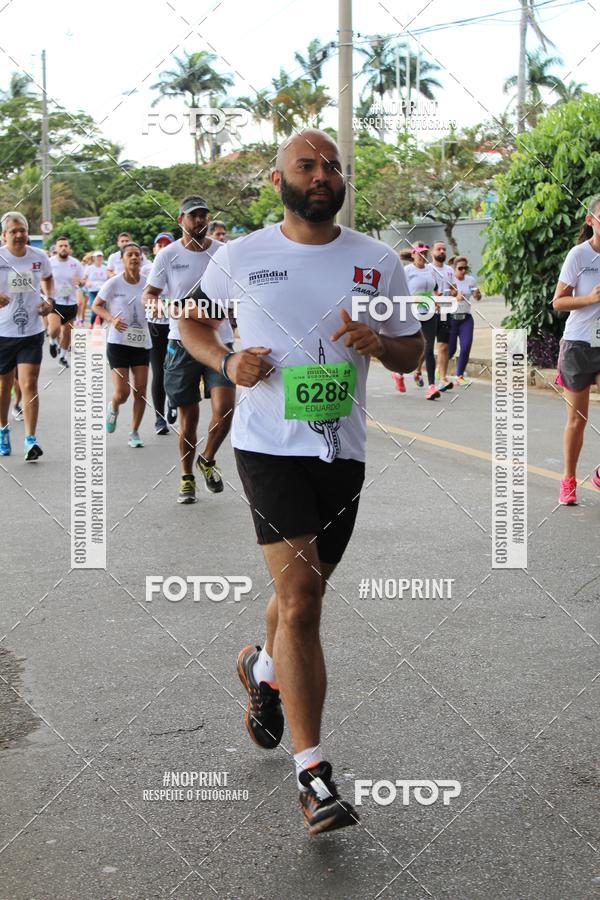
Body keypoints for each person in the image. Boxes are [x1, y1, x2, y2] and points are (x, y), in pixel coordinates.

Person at [179, 129, 423, 834]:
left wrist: (384, 343)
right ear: (278, 179)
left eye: (332, 166)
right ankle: (313, 774)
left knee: (301, 590)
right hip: (266, 446)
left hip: (341, 452)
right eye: (307, 165)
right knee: (303, 597)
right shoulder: (241, 256)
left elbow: (412, 348)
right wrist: (227, 363)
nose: (322, 174)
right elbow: (191, 323)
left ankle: (263, 669)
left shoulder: (376, 261)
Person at [142, 198, 235, 504]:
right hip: (181, 343)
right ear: (181, 219)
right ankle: (186, 477)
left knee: (225, 408)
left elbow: (235, 292)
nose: (200, 221)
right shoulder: (168, 256)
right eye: (194, 216)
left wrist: (237, 324)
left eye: (204, 216)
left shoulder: (222, 253)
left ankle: (206, 459)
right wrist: (172, 307)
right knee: (188, 417)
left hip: (219, 341)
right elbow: (149, 296)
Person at [552, 195, 600, 505]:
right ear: (590, 221)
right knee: (578, 418)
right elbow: (558, 302)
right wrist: (589, 299)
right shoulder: (579, 256)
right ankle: (568, 479)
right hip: (579, 344)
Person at [0, 211, 54, 459]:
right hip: (3, 332)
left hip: (31, 329)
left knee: (29, 383)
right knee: (4, 386)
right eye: (14, 231)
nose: (20, 235)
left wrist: (49, 299)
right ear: (4, 235)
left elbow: (48, 279)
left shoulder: (39, 256)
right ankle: (3, 430)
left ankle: (31, 440)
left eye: (22, 229)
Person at [92, 243, 150, 448]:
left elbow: (157, 301)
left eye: (137, 254)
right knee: (123, 392)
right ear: (123, 259)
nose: (134, 257)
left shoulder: (148, 283)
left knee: (141, 390)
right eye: (130, 255)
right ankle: (114, 407)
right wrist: (111, 319)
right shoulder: (114, 283)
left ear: (141, 259)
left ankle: (134, 432)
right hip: (118, 342)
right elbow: (96, 305)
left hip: (141, 341)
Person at [393, 244, 441, 400]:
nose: (423, 255)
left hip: (429, 313)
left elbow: (435, 288)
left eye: (425, 253)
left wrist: (436, 301)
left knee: (428, 348)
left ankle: (432, 386)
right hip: (412, 313)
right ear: (413, 255)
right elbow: (397, 290)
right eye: (420, 253)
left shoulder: (431, 270)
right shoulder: (407, 271)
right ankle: (399, 373)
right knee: (409, 346)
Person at [146, 232, 175, 435]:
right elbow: (142, 297)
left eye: (167, 244)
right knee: (158, 371)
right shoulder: (146, 269)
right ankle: (159, 417)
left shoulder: (179, 267)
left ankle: (173, 402)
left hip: (178, 327)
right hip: (155, 326)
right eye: (159, 244)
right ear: (154, 249)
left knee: (174, 370)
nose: (163, 248)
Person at [47, 237, 85, 367]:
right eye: (61, 246)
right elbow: (43, 279)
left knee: (68, 332)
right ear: (56, 248)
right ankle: (52, 341)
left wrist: (79, 282)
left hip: (71, 302)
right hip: (55, 301)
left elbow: (82, 281)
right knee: (55, 329)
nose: (63, 248)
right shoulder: (50, 262)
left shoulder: (76, 263)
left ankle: (63, 356)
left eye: (65, 245)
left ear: (69, 248)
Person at [428, 240, 457, 393]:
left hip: (445, 311)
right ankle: (418, 371)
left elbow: (454, 288)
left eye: (444, 249)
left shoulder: (449, 270)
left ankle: (442, 379)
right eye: (439, 249)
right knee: (426, 347)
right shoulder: (427, 269)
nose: (442, 251)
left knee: (443, 346)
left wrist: (453, 292)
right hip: (429, 312)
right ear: (432, 252)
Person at [448, 256, 481, 386]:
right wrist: (456, 298)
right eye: (460, 268)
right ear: (454, 268)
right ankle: (440, 368)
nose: (463, 271)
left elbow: (477, 297)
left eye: (465, 268)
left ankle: (459, 375)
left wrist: (477, 295)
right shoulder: (450, 281)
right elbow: (443, 299)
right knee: (450, 350)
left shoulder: (470, 280)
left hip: (466, 318)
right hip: (451, 318)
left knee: (466, 346)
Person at [84, 250, 109, 324]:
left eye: (100, 256)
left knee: (102, 310)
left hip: (102, 292)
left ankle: (99, 327)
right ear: (94, 258)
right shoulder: (89, 268)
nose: (99, 258)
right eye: (97, 257)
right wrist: (87, 282)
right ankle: (92, 325)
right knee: (94, 309)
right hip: (92, 291)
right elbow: (84, 278)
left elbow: (109, 279)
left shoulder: (105, 268)